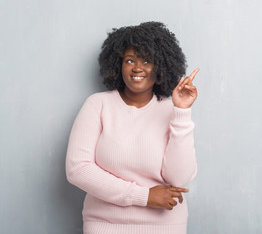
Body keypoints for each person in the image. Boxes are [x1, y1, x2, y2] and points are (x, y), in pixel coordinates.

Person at [65, 21, 199, 234]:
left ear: (161, 65)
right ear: (118, 65)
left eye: (147, 61)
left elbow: (178, 179)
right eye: (130, 60)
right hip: (104, 225)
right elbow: (78, 170)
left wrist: (182, 111)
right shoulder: (97, 105)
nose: (138, 68)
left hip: (165, 226)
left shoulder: (171, 109)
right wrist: (144, 196)